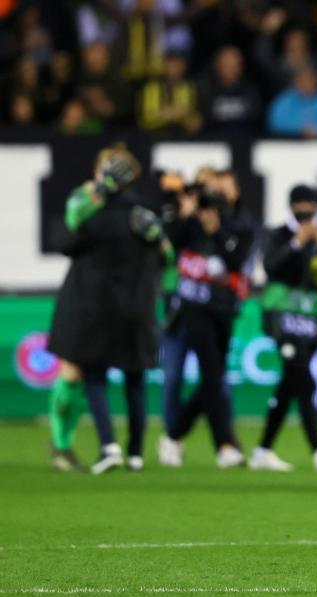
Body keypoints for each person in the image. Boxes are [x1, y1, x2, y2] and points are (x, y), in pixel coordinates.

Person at [47, 146, 171, 474]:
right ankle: (115, 451)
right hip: (114, 303)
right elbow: (165, 255)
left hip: (92, 301)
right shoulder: (130, 213)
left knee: (87, 373)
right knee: (108, 376)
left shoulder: (98, 212)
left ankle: (97, 447)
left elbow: (68, 241)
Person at [250, 185, 317, 471]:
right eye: (300, 204)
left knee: (291, 383)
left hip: (312, 319)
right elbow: (270, 266)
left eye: (310, 204)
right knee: (303, 379)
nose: (305, 210)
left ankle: (263, 450)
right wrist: (296, 243)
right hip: (283, 317)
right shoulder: (278, 234)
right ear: (291, 206)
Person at [157, 185, 252, 469]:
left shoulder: (239, 229)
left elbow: (235, 261)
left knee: (214, 376)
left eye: (212, 208)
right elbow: (170, 247)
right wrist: (187, 216)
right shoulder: (190, 230)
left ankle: (175, 434)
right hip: (194, 309)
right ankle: (224, 445)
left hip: (223, 311)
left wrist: (216, 231)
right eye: (204, 208)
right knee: (212, 374)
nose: (207, 214)